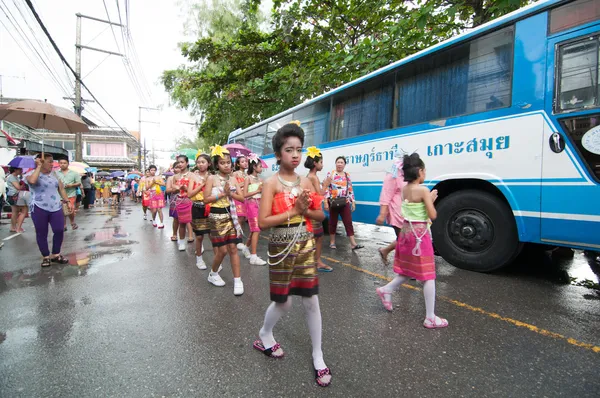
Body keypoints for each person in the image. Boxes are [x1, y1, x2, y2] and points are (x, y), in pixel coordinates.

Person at [254, 122, 331, 387]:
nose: (295, 155)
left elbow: (321, 215)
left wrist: (306, 211)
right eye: (289, 150)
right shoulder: (270, 183)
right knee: (284, 303)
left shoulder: (309, 180)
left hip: (306, 245)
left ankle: (318, 355)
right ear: (278, 154)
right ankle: (265, 333)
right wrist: (294, 211)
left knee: (312, 301)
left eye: (298, 149)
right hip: (280, 246)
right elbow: (263, 222)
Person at [375, 153, 447, 329]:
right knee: (428, 276)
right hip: (419, 237)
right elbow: (432, 215)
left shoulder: (405, 188)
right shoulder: (423, 190)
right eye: (425, 171)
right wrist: (431, 200)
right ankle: (430, 317)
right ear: (420, 171)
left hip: (406, 234)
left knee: (407, 270)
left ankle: (387, 290)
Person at [203, 145, 245, 295]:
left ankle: (238, 280)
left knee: (233, 249)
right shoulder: (211, 178)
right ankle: (213, 274)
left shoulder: (233, 179)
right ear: (216, 164)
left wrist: (230, 194)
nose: (226, 165)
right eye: (222, 162)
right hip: (216, 217)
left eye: (228, 162)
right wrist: (222, 194)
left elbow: (242, 198)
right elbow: (205, 200)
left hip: (230, 217)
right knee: (222, 251)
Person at [25, 153, 73, 267]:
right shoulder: (30, 174)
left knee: (59, 230)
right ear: (41, 162)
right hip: (39, 207)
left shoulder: (54, 174)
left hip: (56, 206)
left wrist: (67, 201)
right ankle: (45, 256)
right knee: (42, 232)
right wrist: (38, 167)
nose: (52, 164)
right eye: (49, 161)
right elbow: (32, 181)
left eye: (52, 161)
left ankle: (56, 254)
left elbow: (61, 188)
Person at [324, 156, 363, 250]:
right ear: (335, 163)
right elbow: (326, 188)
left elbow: (350, 189)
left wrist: (353, 201)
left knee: (348, 222)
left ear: (344, 165)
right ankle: (332, 242)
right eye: (338, 162)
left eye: (341, 162)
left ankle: (353, 244)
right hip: (333, 202)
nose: (339, 164)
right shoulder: (331, 174)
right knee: (333, 222)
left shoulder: (347, 175)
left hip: (345, 202)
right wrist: (325, 201)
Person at [375, 151, 407, 265]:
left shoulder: (406, 175)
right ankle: (405, 267)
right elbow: (386, 195)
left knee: (405, 239)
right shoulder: (392, 176)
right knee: (404, 239)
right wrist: (382, 214)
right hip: (396, 213)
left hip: (407, 212)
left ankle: (385, 251)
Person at [305, 147, 333, 272]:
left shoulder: (311, 176)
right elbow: (319, 194)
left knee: (316, 237)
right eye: (321, 162)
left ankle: (314, 261)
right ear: (315, 163)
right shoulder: (314, 177)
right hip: (314, 211)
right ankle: (317, 262)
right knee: (318, 237)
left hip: (313, 209)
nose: (322, 164)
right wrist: (326, 184)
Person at [187, 153, 212, 269]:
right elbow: (190, 194)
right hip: (197, 207)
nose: (200, 164)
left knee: (213, 235)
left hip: (211, 207)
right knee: (199, 236)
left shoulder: (212, 176)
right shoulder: (193, 176)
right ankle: (199, 258)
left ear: (209, 164)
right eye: (198, 162)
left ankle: (217, 261)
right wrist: (202, 184)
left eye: (203, 162)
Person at [242, 153, 266, 265]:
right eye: (260, 166)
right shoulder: (248, 178)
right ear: (254, 167)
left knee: (254, 229)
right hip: (251, 205)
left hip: (259, 204)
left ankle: (246, 248)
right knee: (256, 229)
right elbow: (245, 194)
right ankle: (254, 256)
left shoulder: (260, 179)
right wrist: (258, 190)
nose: (261, 168)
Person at [172, 155, 195, 250]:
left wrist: (187, 189)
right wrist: (177, 189)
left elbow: (196, 189)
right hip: (180, 201)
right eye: (178, 162)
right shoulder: (175, 177)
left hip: (191, 200)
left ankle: (199, 243)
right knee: (181, 222)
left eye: (182, 162)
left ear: (187, 163)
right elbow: (172, 190)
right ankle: (181, 242)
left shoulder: (192, 175)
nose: (180, 164)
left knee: (193, 222)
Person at [55, 158, 83, 231]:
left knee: (70, 209)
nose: (62, 164)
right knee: (61, 210)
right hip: (59, 195)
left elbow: (78, 183)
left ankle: (72, 222)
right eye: (61, 163)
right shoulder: (55, 173)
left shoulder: (74, 173)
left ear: (68, 164)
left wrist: (70, 185)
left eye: (64, 163)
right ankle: (63, 225)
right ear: (59, 164)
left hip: (71, 194)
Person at [232, 154, 248, 251]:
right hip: (237, 198)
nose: (245, 163)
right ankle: (237, 240)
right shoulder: (235, 174)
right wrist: (245, 183)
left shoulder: (247, 174)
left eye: (246, 161)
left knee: (242, 219)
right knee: (239, 219)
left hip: (245, 198)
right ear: (238, 164)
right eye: (242, 162)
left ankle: (238, 238)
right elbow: (234, 185)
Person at [6, 167, 28, 233]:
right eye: (20, 169)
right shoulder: (12, 177)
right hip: (14, 195)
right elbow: (18, 187)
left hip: (14, 195)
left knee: (15, 212)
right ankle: (16, 227)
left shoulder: (16, 177)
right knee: (19, 211)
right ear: (15, 170)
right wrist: (23, 184)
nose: (21, 171)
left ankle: (13, 227)